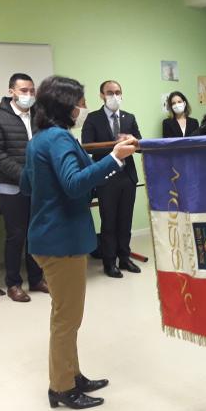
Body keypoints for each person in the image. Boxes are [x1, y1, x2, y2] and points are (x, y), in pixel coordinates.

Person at [21, 75, 137, 409]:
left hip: (49, 237)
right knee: (67, 319)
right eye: (80, 101)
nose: (83, 107)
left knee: (65, 315)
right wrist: (114, 158)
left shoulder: (42, 139)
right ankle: (61, 388)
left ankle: (72, 375)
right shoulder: (58, 138)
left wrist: (110, 156)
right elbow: (74, 184)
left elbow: (30, 185)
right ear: (66, 105)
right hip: (61, 242)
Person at [0, 73, 47, 302]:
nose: (28, 95)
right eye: (23, 90)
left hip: (39, 187)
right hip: (12, 187)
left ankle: (37, 278)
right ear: (11, 91)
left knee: (36, 234)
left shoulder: (40, 116)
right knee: (16, 235)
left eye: (31, 90)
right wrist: (24, 176)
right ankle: (13, 283)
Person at [81, 80, 142, 278]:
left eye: (117, 92)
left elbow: (140, 145)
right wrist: (116, 146)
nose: (114, 96)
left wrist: (132, 141)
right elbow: (88, 147)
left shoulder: (129, 117)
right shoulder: (93, 118)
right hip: (106, 177)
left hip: (128, 176)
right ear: (102, 95)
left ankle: (124, 257)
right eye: (110, 93)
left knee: (125, 220)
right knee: (109, 222)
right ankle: (109, 262)